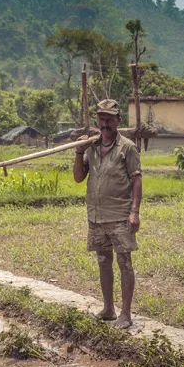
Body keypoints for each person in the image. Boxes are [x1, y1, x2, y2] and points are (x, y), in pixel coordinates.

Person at [72, 99, 142, 329]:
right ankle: (108, 308)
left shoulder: (127, 147)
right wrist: (78, 152)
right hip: (96, 216)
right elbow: (78, 177)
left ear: (118, 120)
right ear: (97, 121)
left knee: (124, 263)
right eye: (101, 119)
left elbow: (136, 179)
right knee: (103, 262)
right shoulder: (91, 148)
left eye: (109, 119)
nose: (105, 124)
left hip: (120, 215)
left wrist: (134, 212)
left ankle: (126, 314)